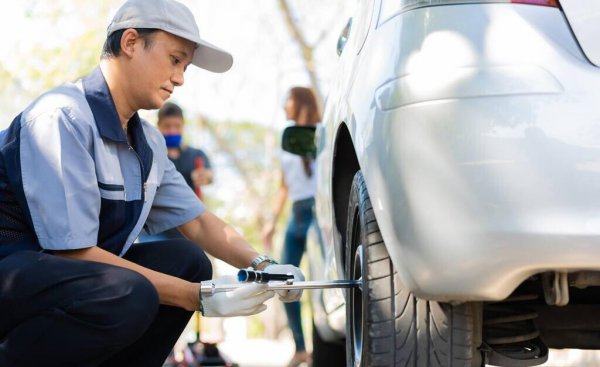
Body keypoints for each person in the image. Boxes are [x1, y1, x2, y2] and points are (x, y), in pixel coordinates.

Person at [0, 1, 303, 366]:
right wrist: (198, 297)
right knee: (134, 292)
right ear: (130, 42)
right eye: (175, 59)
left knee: (187, 261)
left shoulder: (149, 143)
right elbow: (72, 253)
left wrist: (264, 265)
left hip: (73, 282)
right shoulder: (63, 117)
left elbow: (199, 223)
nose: (180, 78)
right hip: (14, 275)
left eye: (185, 66)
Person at [261, 87, 321, 367]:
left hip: (318, 211)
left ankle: (322, 346)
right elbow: (284, 187)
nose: (284, 106)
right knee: (286, 280)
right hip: (296, 214)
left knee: (319, 282)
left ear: (298, 102)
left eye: (287, 101)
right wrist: (272, 222)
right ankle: (300, 348)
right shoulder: (286, 141)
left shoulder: (322, 131)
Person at [139, 102, 213, 241]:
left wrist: (206, 176)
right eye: (167, 126)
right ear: (158, 126)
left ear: (183, 126)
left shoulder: (196, 155)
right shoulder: (150, 153)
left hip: (188, 226)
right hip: (155, 228)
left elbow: (209, 175)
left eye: (177, 126)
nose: (173, 131)